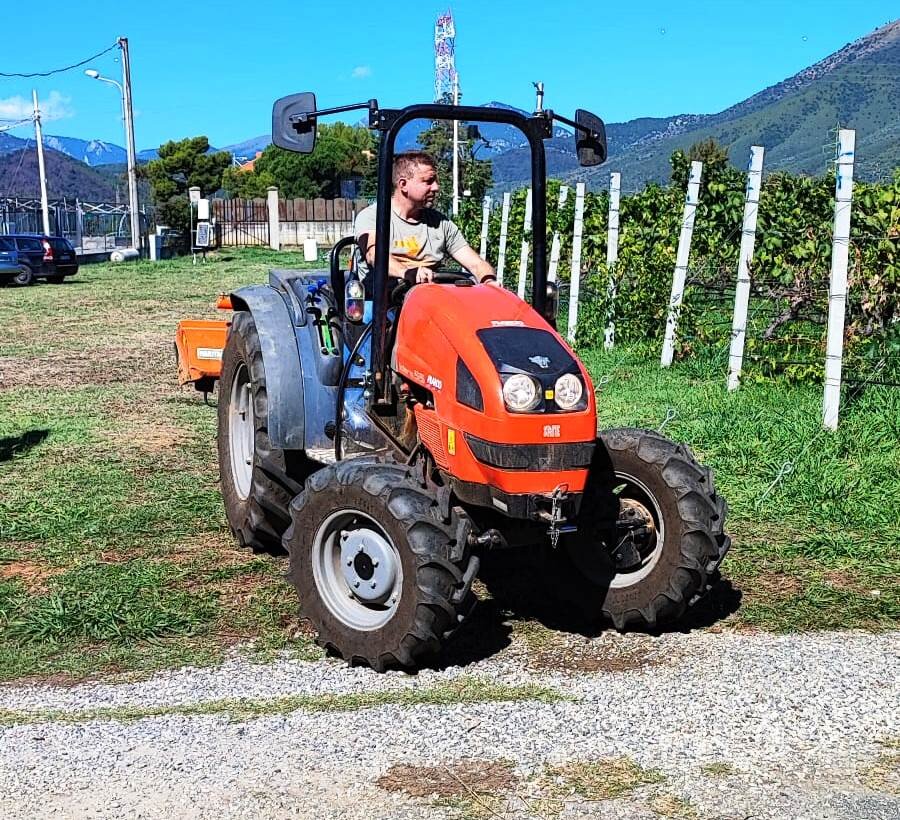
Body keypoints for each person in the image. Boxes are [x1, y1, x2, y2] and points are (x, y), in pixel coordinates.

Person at [354, 151, 496, 286]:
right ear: (403, 185)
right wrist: (406, 272)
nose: (436, 187)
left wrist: (488, 280)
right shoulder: (373, 217)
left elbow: (475, 263)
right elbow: (374, 255)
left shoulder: (441, 224)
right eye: (428, 181)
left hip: (426, 298)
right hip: (381, 301)